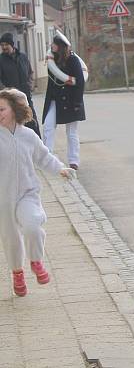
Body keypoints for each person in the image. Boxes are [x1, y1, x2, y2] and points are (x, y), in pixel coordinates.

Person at [0, 88, 74, 297]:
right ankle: (17, 273)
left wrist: (60, 168)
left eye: (2, 109)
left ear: (14, 109)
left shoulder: (28, 135)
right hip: (2, 198)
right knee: (10, 237)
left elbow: (44, 157)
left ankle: (36, 260)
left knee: (33, 224)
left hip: (27, 193)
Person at [42, 31, 85, 170]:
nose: (51, 45)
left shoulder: (73, 60)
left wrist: (78, 102)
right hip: (54, 99)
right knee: (48, 127)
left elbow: (80, 82)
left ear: (59, 46)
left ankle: (74, 161)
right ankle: (48, 157)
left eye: (54, 43)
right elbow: (53, 78)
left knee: (71, 132)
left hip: (71, 100)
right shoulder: (51, 59)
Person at [0, 32, 39, 137]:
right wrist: (7, 93)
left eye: (6, 45)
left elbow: (30, 72)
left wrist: (30, 84)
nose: (4, 47)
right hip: (10, 99)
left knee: (32, 123)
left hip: (26, 97)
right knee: (16, 126)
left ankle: (38, 147)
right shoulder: (1, 60)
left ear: (12, 45)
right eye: (2, 45)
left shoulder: (23, 57)